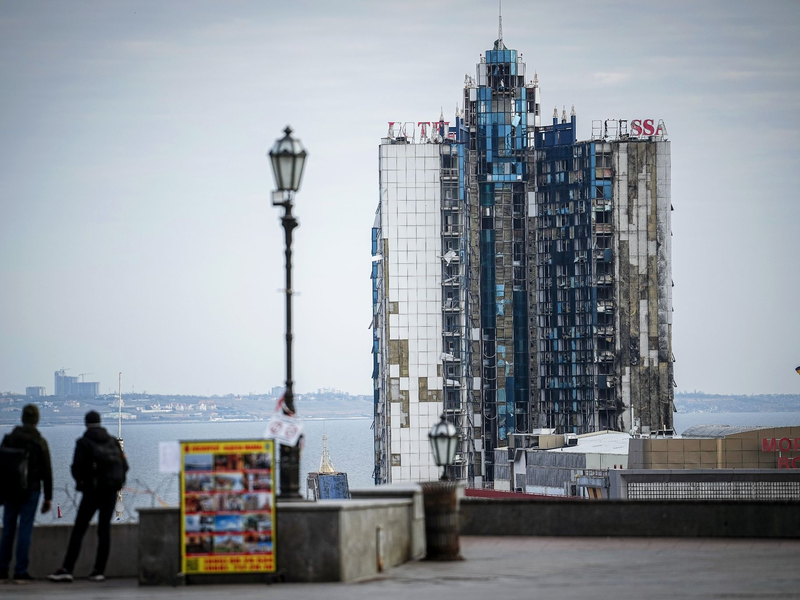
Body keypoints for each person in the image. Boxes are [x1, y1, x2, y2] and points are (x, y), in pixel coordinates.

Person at [48, 411, 128, 583]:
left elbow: (76, 468)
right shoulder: (112, 441)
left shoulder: (83, 443)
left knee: (79, 529)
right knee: (104, 530)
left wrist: (82, 484)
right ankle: (99, 571)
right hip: (110, 492)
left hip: (92, 492)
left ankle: (67, 569)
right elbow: (125, 466)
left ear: (86, 423)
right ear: (100, 422)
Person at [0, 404, 52, 581]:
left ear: (22, 418)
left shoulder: (8, 439)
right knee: (24, 529)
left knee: (8, 529)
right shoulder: (39, 442)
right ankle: (20, 571)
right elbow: (47, 471)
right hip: (31, 490)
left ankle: (2, 569)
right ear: (36, 419)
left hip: (9, 490)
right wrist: (48, 497)